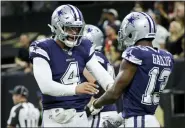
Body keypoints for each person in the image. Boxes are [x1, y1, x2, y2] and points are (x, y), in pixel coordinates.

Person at [29, 4, 114, 127]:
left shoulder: (83, 45)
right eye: (70, 28)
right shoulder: (43, 47)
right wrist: (75, 89)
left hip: (80, 115)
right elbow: (45, 86)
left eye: (77, 29)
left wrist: (112, 86)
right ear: (57, 26)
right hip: (55, 118)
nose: (74, 33)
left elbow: (99, 72)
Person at [87, 12, 174, 127]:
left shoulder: (135, 53)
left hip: (138, 121)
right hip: (150, 119)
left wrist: (94, 105)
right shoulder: (167, 56)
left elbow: (114, 93)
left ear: (135, 31)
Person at [83, 24, 120, 127]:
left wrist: (92, 104)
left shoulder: (94, 57)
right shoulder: (100, 57)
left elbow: (97, 82)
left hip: (99, 114)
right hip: (106, 112)